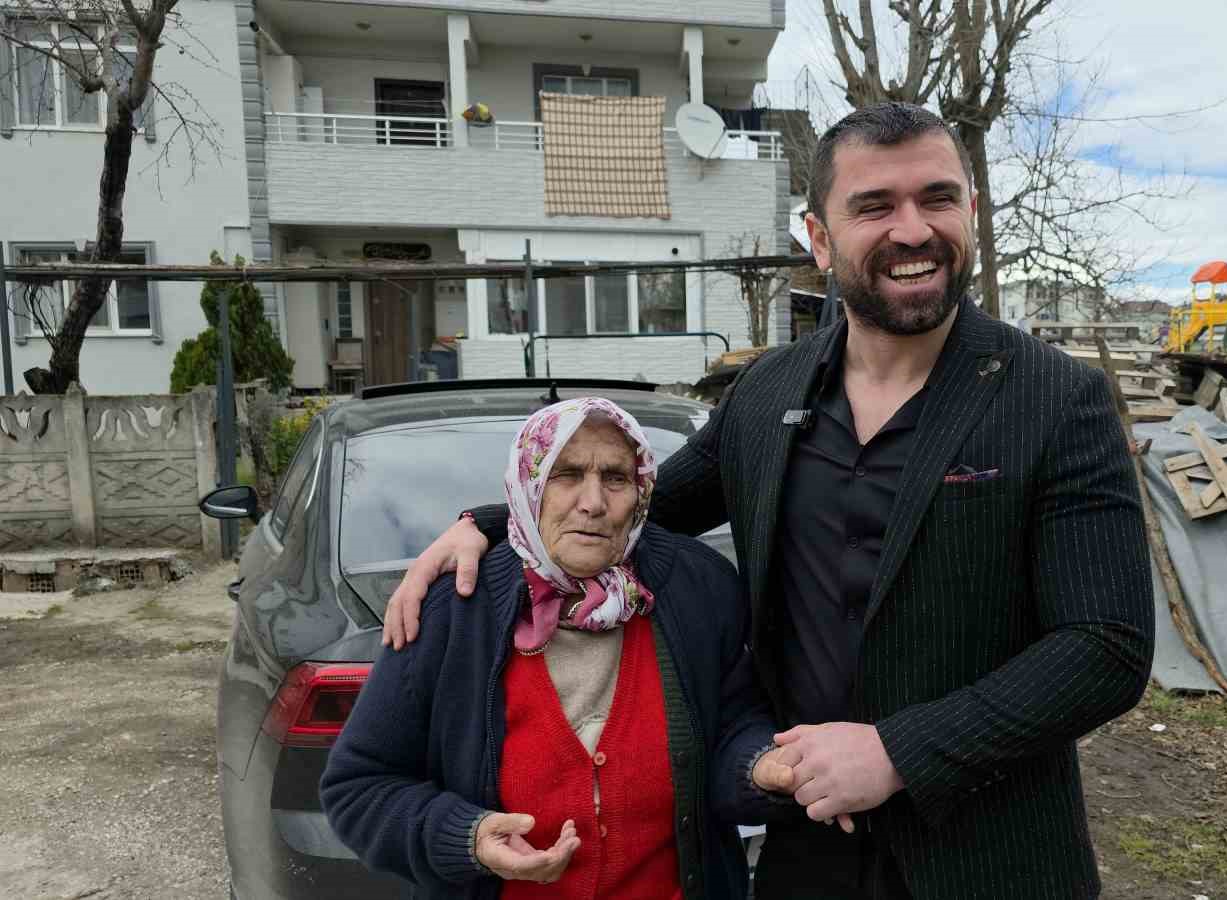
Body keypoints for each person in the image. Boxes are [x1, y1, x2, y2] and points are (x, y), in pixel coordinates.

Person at [382, 102, 1155, 899]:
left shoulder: (1057, 399)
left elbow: (1107, 647)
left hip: (991, 859)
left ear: (972, 211)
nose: (914, 230)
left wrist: (897, 753)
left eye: (937, 198)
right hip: (804, 851)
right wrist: (485, 524)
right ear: (819, 238)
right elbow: (640, 508)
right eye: (874, 206)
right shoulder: (767, 394)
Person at [321, 397, 800, 899]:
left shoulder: (698, 588)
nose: (593, 502)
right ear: (528, 490)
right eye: (566, 475)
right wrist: (469, 838)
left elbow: (732, 729)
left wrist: (759, 767)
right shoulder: (455, 608)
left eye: (616, 478)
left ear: (640, 493)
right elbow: (359, 788)